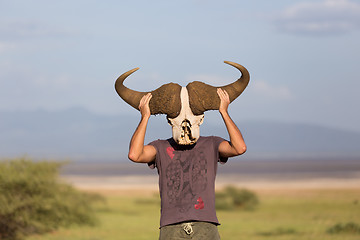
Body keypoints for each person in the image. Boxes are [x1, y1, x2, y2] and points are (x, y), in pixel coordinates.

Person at [128, 88, 246, 240]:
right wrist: (145, 117)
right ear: (170, 122)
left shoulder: (211, 143)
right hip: (171, 227)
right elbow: (134, 154)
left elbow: (239, 147)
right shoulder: (160, 147)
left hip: (205, 225)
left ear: (201, 119)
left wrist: (223, 111)